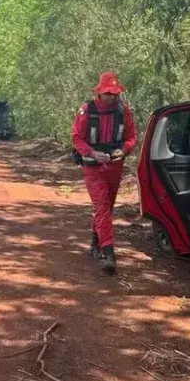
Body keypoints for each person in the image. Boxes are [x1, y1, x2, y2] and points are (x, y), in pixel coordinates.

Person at [71, 71, 138, 274]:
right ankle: (109, 254)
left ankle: (95, 243)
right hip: (93, 168)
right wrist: (92, 152)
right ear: (99, 92)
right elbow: (76, 138)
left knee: (107, 208)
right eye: (108, 93)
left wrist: (124, 150)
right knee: (101, 207)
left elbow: (131, 137)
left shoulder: (122, 110)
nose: (112, 97)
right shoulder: (86, 110)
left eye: (115, 93)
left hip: (114, 168)